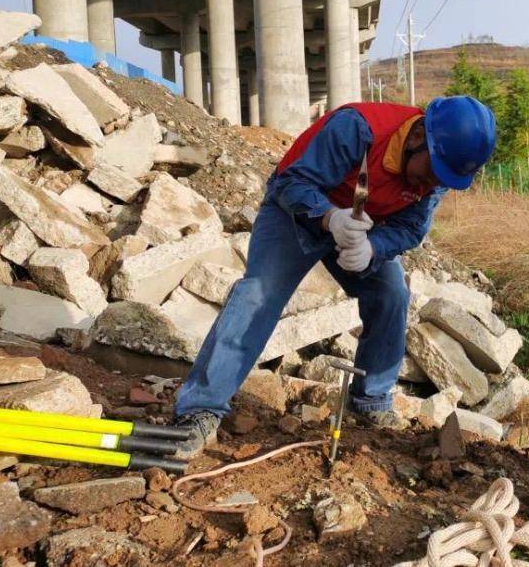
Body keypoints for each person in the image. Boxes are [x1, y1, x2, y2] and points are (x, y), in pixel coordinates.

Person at [172, 96, 496, 459]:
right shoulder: (358, 128)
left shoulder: (437, 172)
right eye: (431, 170)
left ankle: (370, 400)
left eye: (443, 178)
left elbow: (411, 228)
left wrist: (373, 247)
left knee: (391, 295)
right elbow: (289, 182)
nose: (431, 183)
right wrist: (329, 218)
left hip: (360, 232)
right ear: (419, 135)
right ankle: (200, 408)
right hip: (295, 217)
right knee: (258, 295)